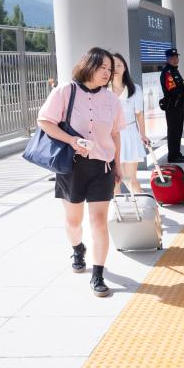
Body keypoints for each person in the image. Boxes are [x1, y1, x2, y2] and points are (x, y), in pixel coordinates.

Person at [37, 47, 125, 297]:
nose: (107, 73)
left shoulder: (112, 100)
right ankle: (78, 248)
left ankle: (98, 274)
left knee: (98, 222)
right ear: (89, 66)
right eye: (102, 67)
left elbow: (115, 135)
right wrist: (71, 140)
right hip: (71, 166)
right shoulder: (66, 91)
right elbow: (44, 121)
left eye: (110, 69)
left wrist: (118, 166)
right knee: (74, 222)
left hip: (102, 167)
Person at [110, 53, 151, 193]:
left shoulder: (135, 89)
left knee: (131, 179)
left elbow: (139, 114)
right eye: (113, 66)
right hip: (110, 136)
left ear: (125, 68)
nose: (116, 68)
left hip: (130, 134)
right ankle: (117, 207)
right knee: (114, 180)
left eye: (119, 65)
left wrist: (143, 134)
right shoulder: (103, 90)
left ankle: (141, 204)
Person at [160, 47, 184, 163]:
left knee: (178, 129)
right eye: (172, 57)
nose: (175, 59)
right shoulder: (167, 73)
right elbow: (172, 90)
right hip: (172, 106)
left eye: (176, 57)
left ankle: (177, 152)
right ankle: (172, 156)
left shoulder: (175, 71)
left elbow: (181, 86)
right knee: (173, 131)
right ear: (167, 59)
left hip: (179, 105)